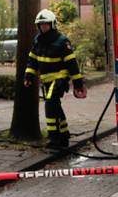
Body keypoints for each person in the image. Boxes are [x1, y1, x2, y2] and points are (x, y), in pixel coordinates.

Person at [24, 9, 87, 148]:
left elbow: (72, 64)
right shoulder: (38, 41)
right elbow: (32, 59)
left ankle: (54, 138)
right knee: (56, 107)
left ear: (52, 24)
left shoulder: (62, 41)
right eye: (41, 25)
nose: (43, 27)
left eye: (46, 24)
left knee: (50, 105)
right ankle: (64, 136)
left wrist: (78, 84)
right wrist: (29, 76)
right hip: (46, 80)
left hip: (59, 79)